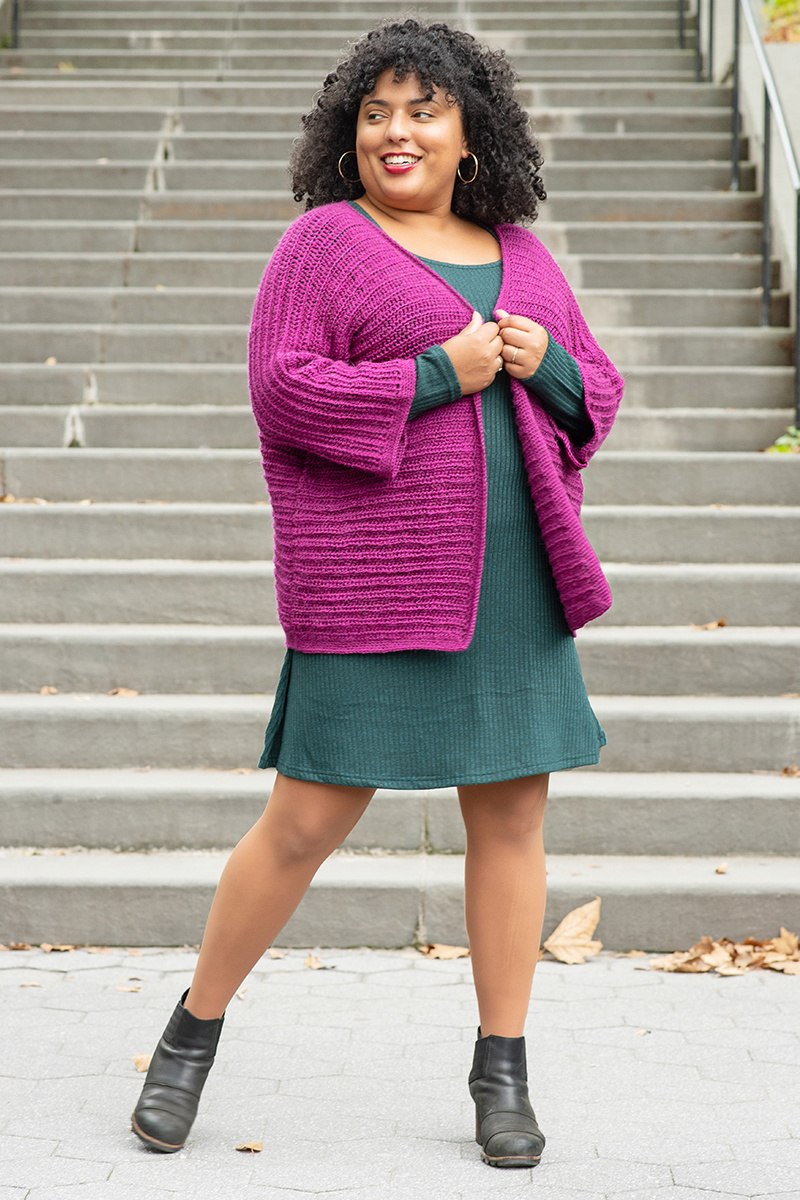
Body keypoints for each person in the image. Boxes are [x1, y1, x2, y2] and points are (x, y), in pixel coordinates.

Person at [130, 18, 623, 1169]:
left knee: (508, 820)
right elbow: (283, 388)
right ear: (347, 135)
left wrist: (539, 359)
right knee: (303, 820)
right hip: (374, 582)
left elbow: (591, 387)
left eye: (422, 110)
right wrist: (432, 374)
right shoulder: (323, 246)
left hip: (514, 586)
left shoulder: (520, 250)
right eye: (374, 113)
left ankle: (501, 1069)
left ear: (469, 133)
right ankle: (188, 1035)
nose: (396, 132)